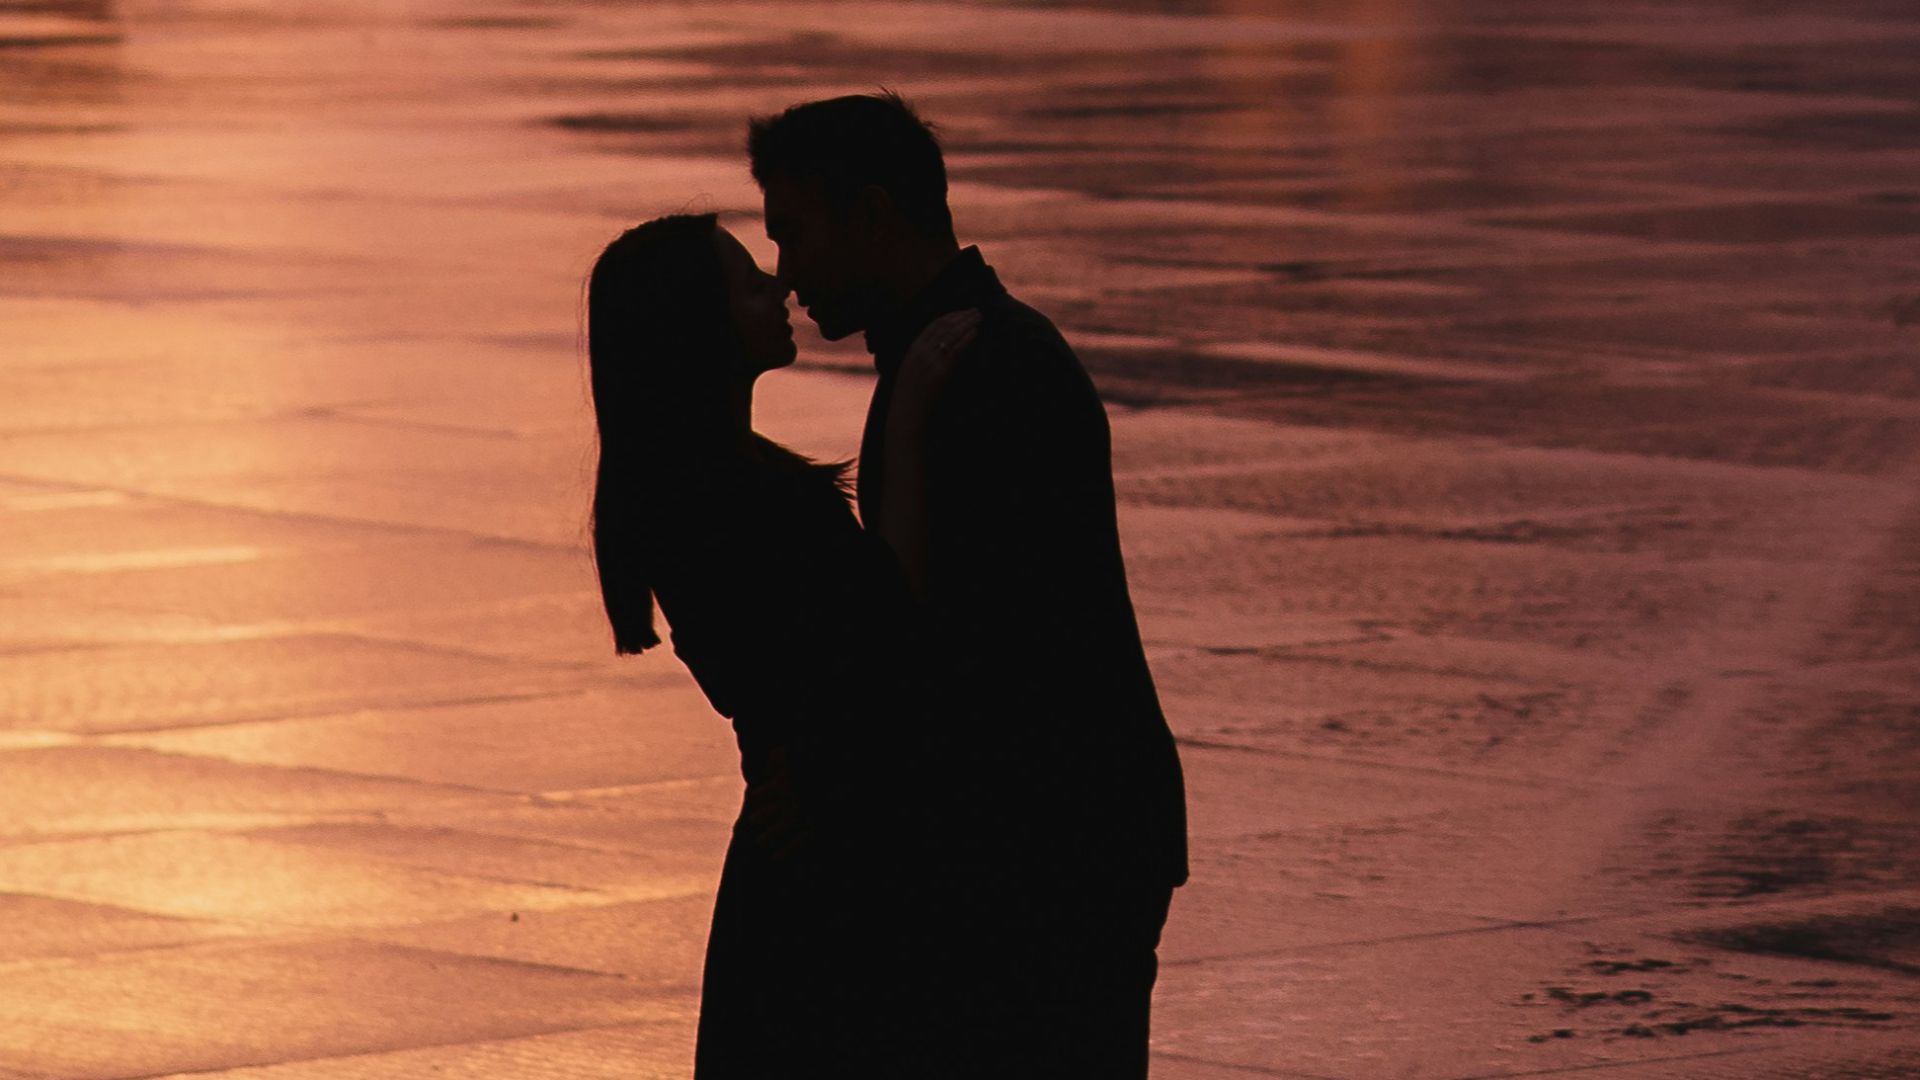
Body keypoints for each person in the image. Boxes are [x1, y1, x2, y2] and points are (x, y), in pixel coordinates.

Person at [750, 91, 1191, 1077]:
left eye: (795, 235)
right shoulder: (961, 351)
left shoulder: (981, 366)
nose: (787, 275)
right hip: (1051, 837)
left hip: (1051, 849)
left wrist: (833, 776)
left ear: (872, 214)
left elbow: (986, 646)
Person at [585, 213, 969, 1077]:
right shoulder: (728, 501)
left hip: (807, 848)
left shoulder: (702, 485)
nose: (780, 286)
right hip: (826, 867)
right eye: (750, 282)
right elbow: (876, 646)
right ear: (700, 325)